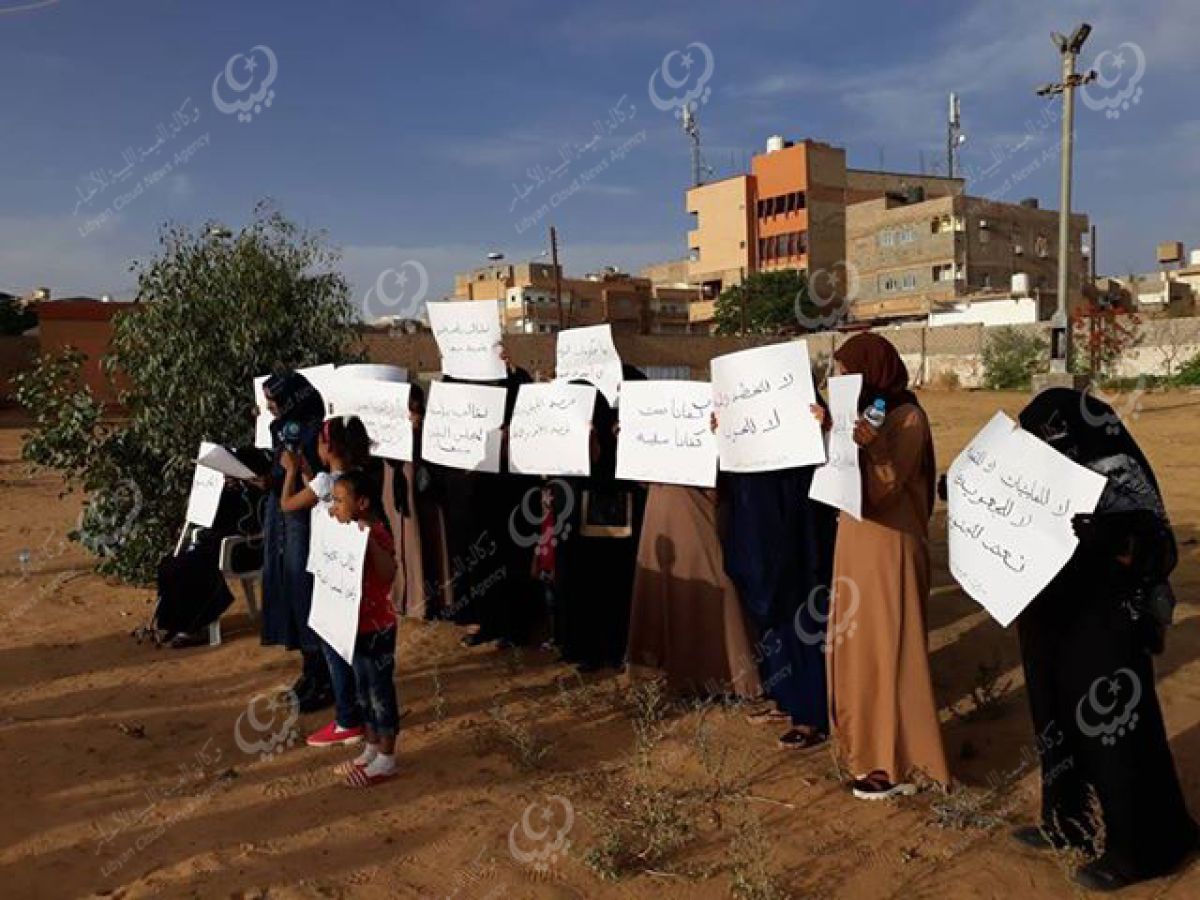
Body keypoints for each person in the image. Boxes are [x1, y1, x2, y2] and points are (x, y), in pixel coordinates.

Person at [1010, 388, 1197, 892]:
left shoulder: (1114, 465)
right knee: (1054, 721)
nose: (1040, 443)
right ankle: (1067, 822)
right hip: (1048, 615)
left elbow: (1157, 545)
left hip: (1106, 623)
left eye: (1049, 432)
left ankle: (1147, 847)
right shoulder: (1032, 466)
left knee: (1116, 734)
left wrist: (1114, 540)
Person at [815, 332, 949, 799]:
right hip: (854, 541)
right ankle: (861, 745)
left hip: (889, 546)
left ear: (873, 370)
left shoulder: (907, 417)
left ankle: (896, 762)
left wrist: (872, 447)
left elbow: (885, 489)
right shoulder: (857, 417)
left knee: (888, 650)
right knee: (856, 646)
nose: (839, 378)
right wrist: (826, 431)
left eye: (847, 370)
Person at [723, 462, 837, 749]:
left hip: (796, 491)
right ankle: (784, 696)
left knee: (799, 594)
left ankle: (811, 714)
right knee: (763, 591)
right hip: (752, 485)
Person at [280, 415, 374, 747]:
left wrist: (291, 471)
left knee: (333, 645)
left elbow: (288, 505)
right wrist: (309, 473)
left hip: (329, 575)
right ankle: (365, 711)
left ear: (327, 446)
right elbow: (321, 493)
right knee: (356, 647)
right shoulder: (356, 480)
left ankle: (347, 717)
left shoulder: (324, 482)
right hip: (353, 574)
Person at [626, 480, 762, 699]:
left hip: (699, 495)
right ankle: (661, 669)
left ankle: (723, 673)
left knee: (708, 571)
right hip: (660, 493)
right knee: (669, 574)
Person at [554, 387, 644, 670]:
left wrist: (616, 441)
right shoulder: (568, 418)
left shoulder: (622, 421)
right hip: (578, 522)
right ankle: (584, 648)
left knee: (615, 585)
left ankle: (615, 649)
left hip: (618, 526)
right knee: (583, 584)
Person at [260, 371, 330, 712]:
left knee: (306, 593)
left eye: (273, 401)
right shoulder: (281, 430)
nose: (270, 409)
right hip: (281, 521)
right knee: (288, 591)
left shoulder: (318, 432)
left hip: (305, 523)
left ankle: (324, 677)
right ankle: (309, 669)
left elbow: (318, 484)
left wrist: (292, 470)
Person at [327, 470, 402, 787]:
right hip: (353, 626)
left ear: (362, 503)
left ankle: (387, 757)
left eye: (340, 500)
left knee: (380, 690)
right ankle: (371, 747)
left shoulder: (377, 533)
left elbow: (387, 573)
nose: (335, 506)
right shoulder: (341, 531)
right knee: (362, 689)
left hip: (378, 628)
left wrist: (367, 538)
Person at [381, 384, 451, 620]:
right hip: (397, 494)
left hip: (424, 498)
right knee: (401, 545)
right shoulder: (388, 432)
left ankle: (426, 601)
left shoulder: (430, 432)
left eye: (416, 409)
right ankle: (404, 597)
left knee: (423, 544)